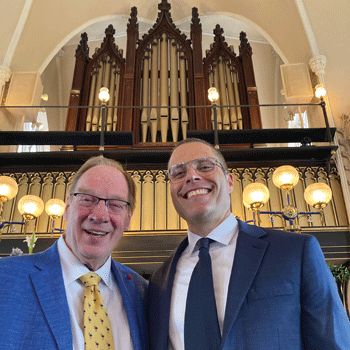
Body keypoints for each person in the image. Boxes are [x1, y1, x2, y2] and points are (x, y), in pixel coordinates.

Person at [148, 138, 350, 350]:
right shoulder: (159, 280)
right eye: (179, 173)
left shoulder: (295, 252)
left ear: (229, 182)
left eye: (205, 166)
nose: (191, 176)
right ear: (171, 191)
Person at [0, 156, 148, 350]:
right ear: (68, 207)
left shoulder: (142, 292)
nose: (100, 215)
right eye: (87, 199)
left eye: (115, 204)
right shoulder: (6, 279)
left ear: (128, 219)